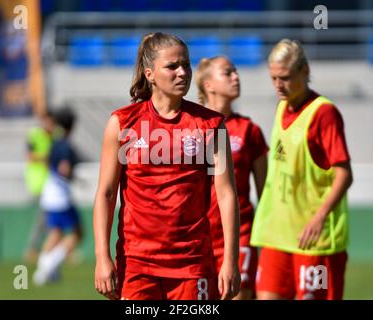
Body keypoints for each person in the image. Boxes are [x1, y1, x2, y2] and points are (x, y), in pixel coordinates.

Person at [93, 32, 240, 300]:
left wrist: (230, 260)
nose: (182, 72)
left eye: (186, 64)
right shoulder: (123, 124)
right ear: (149, 74)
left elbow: (227, 194)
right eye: (172, 66)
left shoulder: (211, 125)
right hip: (137, 264)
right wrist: (102, 258)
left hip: (192, 263)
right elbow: (105, 194)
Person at [250, 39, 353, 300]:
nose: (278, 85)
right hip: (277, 234)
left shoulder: (324, 113)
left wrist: (319, 217)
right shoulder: (281, 107)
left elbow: (344, 173)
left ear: (305, 71)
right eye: (273, 78)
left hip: (313, 240)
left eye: (284, 78)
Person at [195, 56, 268, 300]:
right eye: (228, 73)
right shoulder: (191, 128)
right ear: (208, 84)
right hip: (197, 237)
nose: (236, 77)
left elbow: (265, 192)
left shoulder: (250, 130)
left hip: (239, 236)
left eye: (236, 71)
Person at [33, 107, 83, 285]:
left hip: (50, 193)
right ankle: (48, 264)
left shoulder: (54, 141)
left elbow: (48, 163)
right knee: (78, 233)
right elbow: (64, 169)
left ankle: (43, 270)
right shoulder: (66, 145)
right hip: (60, 197)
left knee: (55, 233)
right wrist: (72, 178)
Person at [23, 110, 55, 264]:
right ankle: (35, 249)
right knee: (44, 218)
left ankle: (41, 249)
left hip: (50, 183)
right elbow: (30, 156)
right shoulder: (35, 134)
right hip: (38, 182)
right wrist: (47, 157)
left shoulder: (55, 136)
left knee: (47, 218)